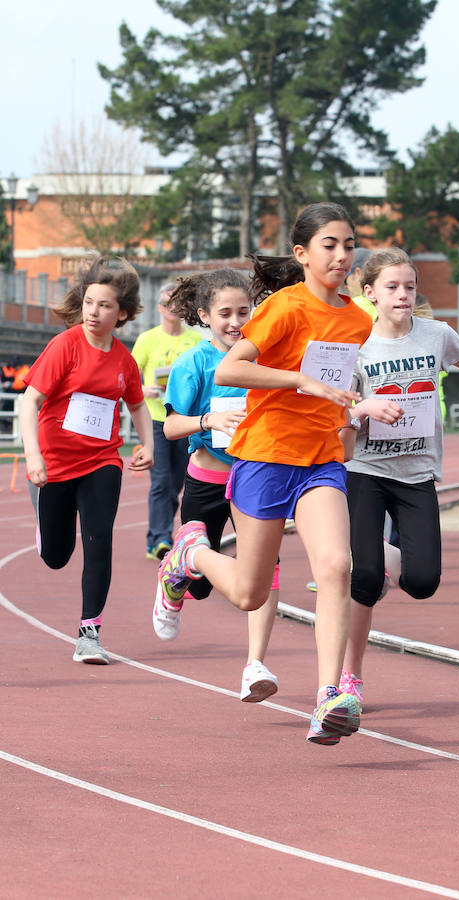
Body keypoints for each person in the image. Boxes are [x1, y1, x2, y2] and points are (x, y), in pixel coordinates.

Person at [156, 202, 374, 745]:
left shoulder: (357, 319)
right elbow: (231, 368)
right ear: (302, 254)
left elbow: (344, 387)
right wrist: (301, 381)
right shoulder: (283, 309)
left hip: (321, 458)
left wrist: (359, 410)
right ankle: (190, 555)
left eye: (349, 244)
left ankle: (329, 697)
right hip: (265, 456)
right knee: (251, 594)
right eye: (330, 245)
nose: (342, 255)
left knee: (335, 566)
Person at [337, 248, 459, 704]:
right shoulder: (355, 344)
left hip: (416, 473)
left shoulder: (436, 335)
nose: (402, 295)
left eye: (409, 286)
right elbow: (336, 412)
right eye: (391, 287)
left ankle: (374, 554)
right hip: (365, 470)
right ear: (370, 294)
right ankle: (350, 677)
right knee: (362, 578)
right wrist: (362, 408)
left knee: (422, 582)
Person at [151, 268, 280, 702]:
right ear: (204, 315)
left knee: (264, 569)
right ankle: (177, 573)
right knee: (202, 586)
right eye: (224, 313)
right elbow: (170, 427)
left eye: (244, 311)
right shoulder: (194, 362)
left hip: (256, 477)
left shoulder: (263, 357)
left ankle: (255, 664)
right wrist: (209, 420)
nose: (235, 322)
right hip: (207, 476)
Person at [20, 256, 154, 664]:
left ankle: (89, 634)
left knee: (100, 541)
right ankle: (45, 524)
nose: (94, 312)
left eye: (105, 305)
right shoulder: (66, 345)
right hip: (54, 463)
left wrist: (146, 444)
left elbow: (137, 405)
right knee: (57, 557)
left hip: (101, 461)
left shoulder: (124, 360)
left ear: (123, 313)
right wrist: (34, 456)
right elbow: (31, 403)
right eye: (89, 303)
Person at [132, 282, 202, 561]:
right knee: (161, 481)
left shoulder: (195, 342)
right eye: (167, 302)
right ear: (160, 308)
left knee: (177, 483)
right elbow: (128, 378)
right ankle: (160, 539)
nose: (172, 307)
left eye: (177, 302)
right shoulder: (148, 339)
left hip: (184, 421)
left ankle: (162, 534)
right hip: (156, 421)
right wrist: (142, 390)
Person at [345, 247, 377, 320]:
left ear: (358, 273)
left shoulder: (355, 306)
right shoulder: (391, 300)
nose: (346, 287)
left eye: (345, 280)